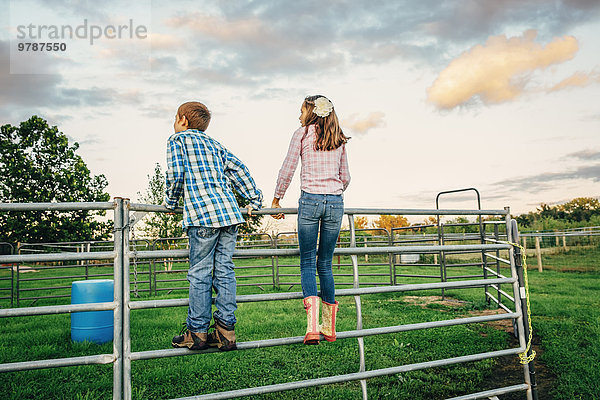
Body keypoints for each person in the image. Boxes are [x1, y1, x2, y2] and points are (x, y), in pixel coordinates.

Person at [166, 101, 263, 351]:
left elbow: (176, 174)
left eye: (175, 118)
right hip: (229, 214)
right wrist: (254, 199)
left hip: (202, 216)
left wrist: (170, 201)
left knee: (199, 272)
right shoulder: (216, 145)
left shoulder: (177, 141)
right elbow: (239, 169)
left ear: (183, 121)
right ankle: (226, 332)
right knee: (225, 270)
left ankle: (197, 332)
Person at [272, 95, 350, 344]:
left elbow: (288, 166)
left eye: (302, 111)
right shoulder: (339, 138)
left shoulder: (303, 133)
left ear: (312, 113)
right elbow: (345, 176)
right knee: (325, 263)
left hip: (310, 200)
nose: (299, 116)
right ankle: (329, 328)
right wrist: (333, 192)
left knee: (307, 261)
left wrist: (277, 198)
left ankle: (312, 328)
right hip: (335, 202)